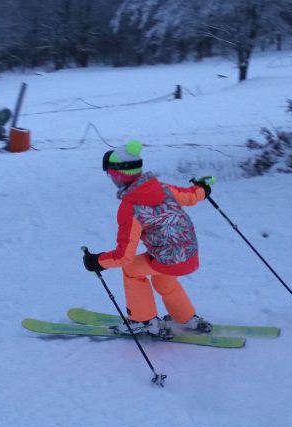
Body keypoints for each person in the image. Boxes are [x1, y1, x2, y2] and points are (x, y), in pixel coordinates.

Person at [82, 139, 216, 338]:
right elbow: (189, 196)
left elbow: (124, 256)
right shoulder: (161, 188)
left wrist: (97, 261)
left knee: (131, 270)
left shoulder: (131, 207)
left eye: (110, 173)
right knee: (163, 282)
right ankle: (186, 318)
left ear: (117, 175)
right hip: (190, 254)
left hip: (169, 258)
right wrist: (202, 189)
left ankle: (144, 321)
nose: (110, 178)